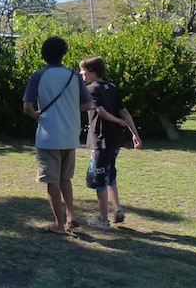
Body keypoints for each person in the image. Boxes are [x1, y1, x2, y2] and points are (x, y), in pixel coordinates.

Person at [23, 36, 95, 235]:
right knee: (66, 179)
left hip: (48, 135)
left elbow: (27, 105)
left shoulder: (38, 75)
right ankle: (71, 216)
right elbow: (89, 104)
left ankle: (58, 224)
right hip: (71, 134)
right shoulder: (73, 76)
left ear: (44, 54)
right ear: (63, 54)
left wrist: (36, 116)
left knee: (51, 181)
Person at [79, 56, 143, 229]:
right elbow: (125, 112)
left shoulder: (90, 89)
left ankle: (103, 219)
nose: (81, 73)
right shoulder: (111, 87)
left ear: (91, 71)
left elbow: (101, 112)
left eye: (83, 70)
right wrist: (134, 134)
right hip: (115, 140)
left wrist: (119, 122)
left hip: (101, 140)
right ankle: (117, 209)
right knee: (110, 174)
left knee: (99, 178)